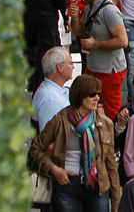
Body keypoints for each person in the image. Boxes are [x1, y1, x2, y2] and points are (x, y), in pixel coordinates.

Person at [30, 74, 122, 211]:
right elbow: (36, 149)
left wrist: (116, 202)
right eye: (92, 95)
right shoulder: (59, 121)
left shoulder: (104, 123)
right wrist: (54, 169)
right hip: (67, 186)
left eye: (98, 94)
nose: (97, 98)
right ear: (80, 95)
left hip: (98, 186)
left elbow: (110, 163)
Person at [69, 0, 128, 119]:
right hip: (93, 68)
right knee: (87, 105)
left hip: (109, 71)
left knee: (111, 110)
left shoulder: (110, 11)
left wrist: (96, 44)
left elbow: (122, 41)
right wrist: (75, 18)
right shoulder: (90, 7)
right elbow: (79, 30)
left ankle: (115, 138)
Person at [33, 46, 73, 132]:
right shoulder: (51, 100)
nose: (73, 67)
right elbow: (49, 140)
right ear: (60, 67)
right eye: (70, 63)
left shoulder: (56, 91)